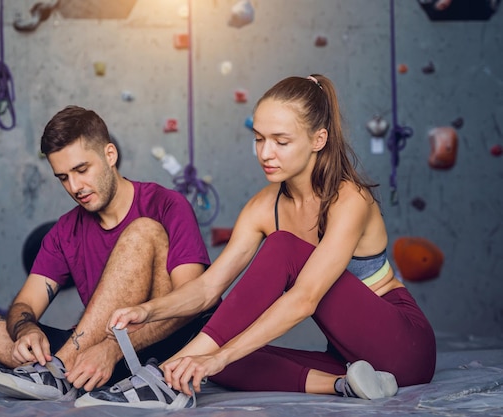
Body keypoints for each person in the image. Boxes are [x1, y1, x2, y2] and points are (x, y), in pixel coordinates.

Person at [76, 75, 437, 409]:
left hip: (404, 347)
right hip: (347, 356)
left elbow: (305, 299)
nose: (265, 153)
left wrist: (215, 354)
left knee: (275, 258)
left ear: (318, 140)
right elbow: (207, 289)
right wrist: (150, 310)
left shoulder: (350, 199)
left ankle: (163, 379)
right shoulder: (263, 207)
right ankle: (344, 384)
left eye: (281, 141)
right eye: (260, 139)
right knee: (216, 365)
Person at [0, 106, 215, 402]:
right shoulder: (65, 231)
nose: (75, 186)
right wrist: (25, 330)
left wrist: (113, 348)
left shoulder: (166, 205)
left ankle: (61, 369)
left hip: (162, 357)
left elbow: (188, 304)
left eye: (82, 169)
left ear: (110, 154)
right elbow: (25, 305)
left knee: (144, 231)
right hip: (89, 358)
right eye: (63, 177)